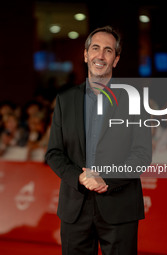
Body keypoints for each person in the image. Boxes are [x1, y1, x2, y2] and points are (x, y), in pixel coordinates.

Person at [45, 26, 152, 255]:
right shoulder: (65, 100)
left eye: (108, 51)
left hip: (119, 207)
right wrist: (80, 177)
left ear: (116, 59)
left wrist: (106, 178)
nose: (100, 56)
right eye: (95, 48)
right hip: (75, 207)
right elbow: (54, 153)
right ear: (85, 55)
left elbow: (141, 155)